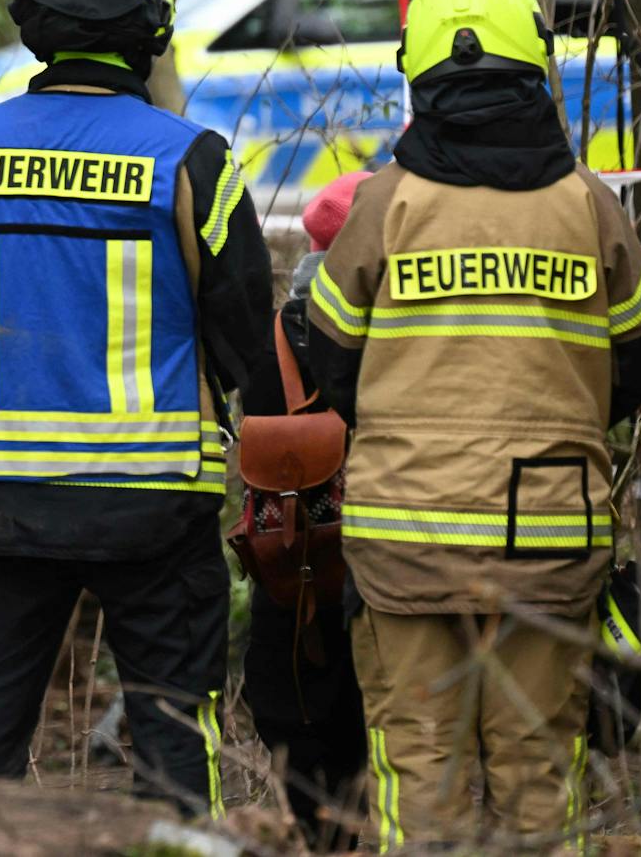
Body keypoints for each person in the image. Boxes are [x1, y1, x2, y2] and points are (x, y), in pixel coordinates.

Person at [0, 0, 284, 816]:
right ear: (150, 35)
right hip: (152, 506)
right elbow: (245, 334)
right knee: (169, 743)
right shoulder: (189, 159)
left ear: (38, 27)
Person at [305, 0, 641, 846]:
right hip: (547, 541)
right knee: (541, 779)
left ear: (420, 75)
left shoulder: (385, 206)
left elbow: (327, 360)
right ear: (533, 70)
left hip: (404, 545)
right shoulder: (588, 207)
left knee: (418, 781)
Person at [241, 169, 371, 847]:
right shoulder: (403, 332)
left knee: (295, 724)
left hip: (288, 576)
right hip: (385, 569)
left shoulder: (271, 340)